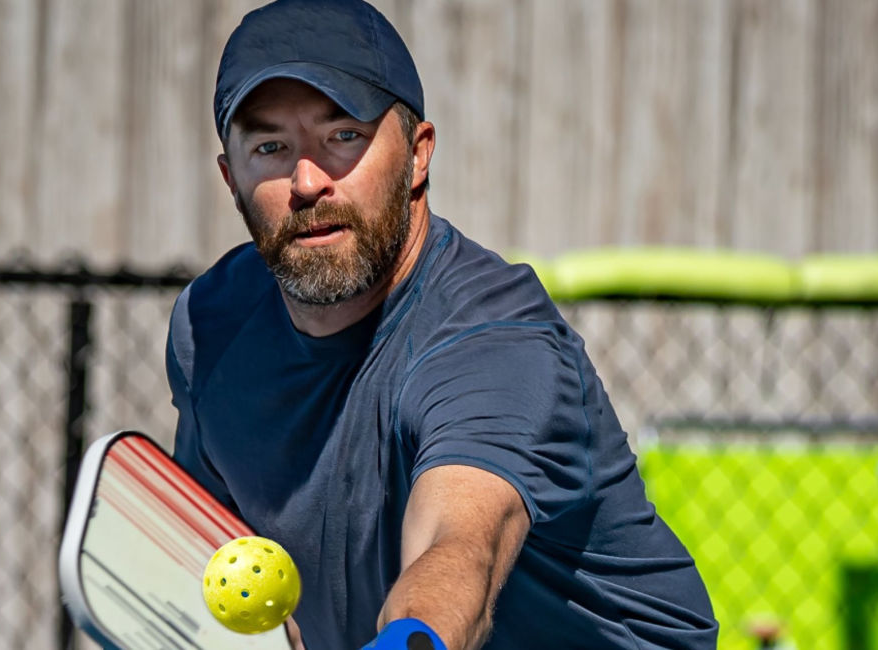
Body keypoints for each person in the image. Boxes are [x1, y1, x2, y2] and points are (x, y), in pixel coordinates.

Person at [166, 0, 718, 648]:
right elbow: (208, 545)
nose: (308, 180)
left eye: (344, 136)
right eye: (270, 147)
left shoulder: (495, 341)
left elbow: (461, 543)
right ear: (231, 178)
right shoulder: (213, 326)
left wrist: (412, 638)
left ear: (418, 155)